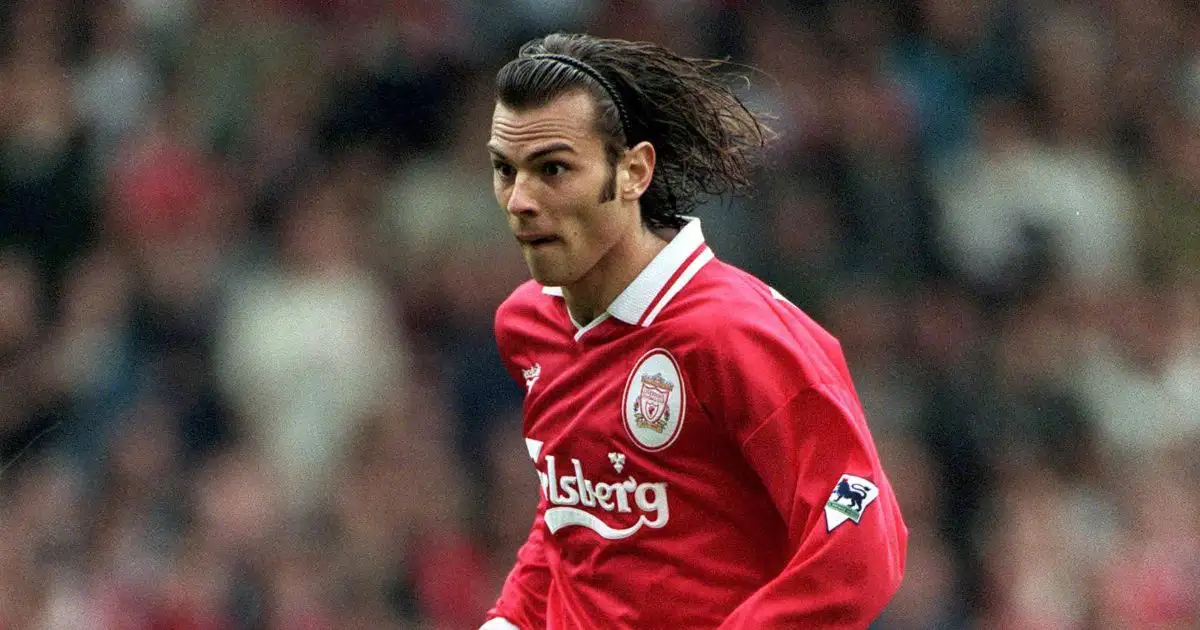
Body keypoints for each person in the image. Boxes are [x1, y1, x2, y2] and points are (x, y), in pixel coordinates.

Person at [481, 32, 907, 630]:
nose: (520, 199)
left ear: (633, 171)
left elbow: (858, 535)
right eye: (505, 170)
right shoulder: (529, 326)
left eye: (553, 168)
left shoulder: (736, 333)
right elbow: (574, 515)